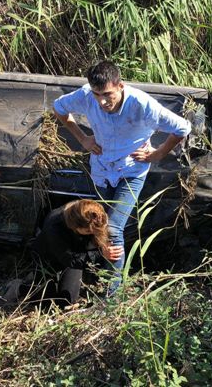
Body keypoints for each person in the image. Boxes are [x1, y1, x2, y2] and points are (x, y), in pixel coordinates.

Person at [53, 60, 191, 291]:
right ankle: (102, 272)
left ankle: (113, 296)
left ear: (120, 85)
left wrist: (157, 154)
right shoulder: (86, 96)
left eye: (108, 94)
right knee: (98, 223)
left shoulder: (142, 105)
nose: (102, 101)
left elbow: (182, 128)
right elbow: (59, 108)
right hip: (101, 168)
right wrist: (83, 139)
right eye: (97, 95)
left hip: (131, 170)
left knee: (114, 228)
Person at [31, 199, 116, 306]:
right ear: (76, 227)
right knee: (44, 304)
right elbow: (70, 259)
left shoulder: (87, 211)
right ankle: (20, 287)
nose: (93, 233)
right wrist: (101, 254)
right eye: (89, 231)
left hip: (75, 255)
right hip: (48, 259)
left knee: (67, 301)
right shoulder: (54, 227)